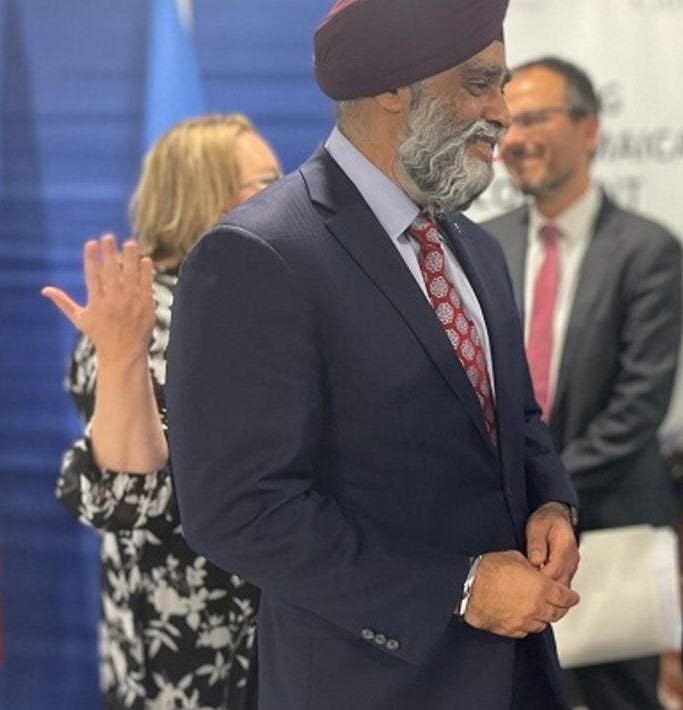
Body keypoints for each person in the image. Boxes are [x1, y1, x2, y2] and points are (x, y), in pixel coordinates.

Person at [163, 0, 581, 708]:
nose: (503, 113)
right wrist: (462, 587)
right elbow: (238, 509)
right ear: (394, 85)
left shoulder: (474, 246)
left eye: (502, 86)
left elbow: (513, 416)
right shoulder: (257, 255)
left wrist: (553, 504)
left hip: (517, 677)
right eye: (480, 84)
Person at [41, 113, 281, 710]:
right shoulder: (143, 316)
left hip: (278, 630)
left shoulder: (264, 300)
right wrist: (122, 355)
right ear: (201, 197)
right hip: (184, 653)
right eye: (266, 182)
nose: (288, 196)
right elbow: (128, 497)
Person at [483, 56, 683, 710]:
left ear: (589, 129)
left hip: (610, 530)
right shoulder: (477, 247)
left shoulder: (648, 249)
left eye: (534, 118)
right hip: (497, 538)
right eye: (507, 123)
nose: (514, 139)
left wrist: (548, 493)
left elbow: (639, 405)